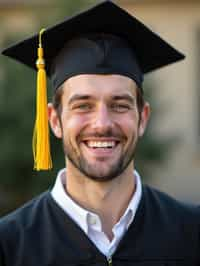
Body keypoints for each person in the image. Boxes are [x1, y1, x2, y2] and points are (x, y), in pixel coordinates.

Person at [0, 1, 199, 266]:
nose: (102, 123)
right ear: (55, 120)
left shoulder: (192, 234)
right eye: (83, 105)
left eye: (119, 105)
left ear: (143, 118)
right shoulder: (10, 244)